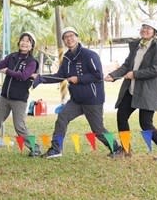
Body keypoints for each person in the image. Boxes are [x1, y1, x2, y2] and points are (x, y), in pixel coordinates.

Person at [32, 26, 124, 159]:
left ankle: (117, 149)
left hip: (93, 99)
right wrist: (40, 78)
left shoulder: (90, 55)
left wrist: (78, 79)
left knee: (98, 130)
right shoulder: (67, 58)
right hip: (76, 100)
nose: (69, 39)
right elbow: (60, 75)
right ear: (64, 40)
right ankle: (56, 149)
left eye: (71, 36)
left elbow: (98, 75)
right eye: (66, 37)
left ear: (77, 37)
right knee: (62, 118)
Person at [104, 20, 157, 160]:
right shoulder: (136, 47)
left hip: (147, 91)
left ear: (154, 33)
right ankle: (126, 149)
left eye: (149, 28)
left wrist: (135, 74)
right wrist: (113, 75)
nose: (145, 30)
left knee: (146, 123)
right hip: (131, 90)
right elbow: (126, 65)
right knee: (122, 116)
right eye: (143, 27)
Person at [0, 32, 41, 156]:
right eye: (23, 40)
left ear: (32, 45)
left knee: (19, 127)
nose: (24, 43)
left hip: (19, 99)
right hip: (4, 97)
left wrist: (8, 71)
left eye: (28, 41)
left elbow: (24, 76)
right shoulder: (12, 57)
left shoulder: (32, 62)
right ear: (19, 42)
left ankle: (35, 148)